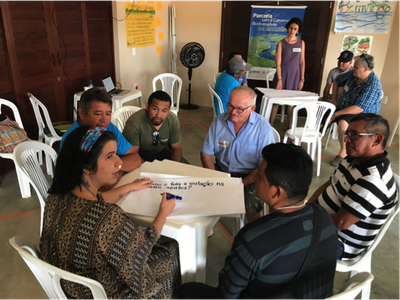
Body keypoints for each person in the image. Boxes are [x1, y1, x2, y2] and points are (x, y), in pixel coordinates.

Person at [180, 143, 337, 299]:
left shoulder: (253, 239)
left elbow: (226, 295)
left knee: (187, 290)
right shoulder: (322, 215)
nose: (254, 179)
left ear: (276, 192)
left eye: (260, 176)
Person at [40, 126, 181, 299]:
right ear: (86, 165)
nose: (119, 162)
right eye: (109, 156)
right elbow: (144, 245)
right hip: (104, 292)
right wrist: (163, 212)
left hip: (70, 288)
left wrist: (130, 186)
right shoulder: (107, 218)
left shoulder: (57, 197)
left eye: (116, 153)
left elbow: (98, 199)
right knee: (172, 250)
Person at [309, 113, 397, 261]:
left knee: (281, 242)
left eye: (355, 134)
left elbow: (340, 223)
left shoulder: (373, 180)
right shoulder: (352, 159)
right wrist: (307, 208)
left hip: (340, 242)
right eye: (347, 133)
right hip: (321, 222)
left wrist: (304, 220)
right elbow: (331, 183)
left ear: (377, 139)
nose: (346, 139)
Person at [201, 86, 277, 223]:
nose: (233, 112)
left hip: (252, 175)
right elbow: (205, 154)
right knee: (200, 195)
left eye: (240, 109)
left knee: (251, 207)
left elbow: (264, 165)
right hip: (222, 171)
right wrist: (214, 179)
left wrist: (243, 183)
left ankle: (254, 231)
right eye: (230, 106)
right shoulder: (218, 122)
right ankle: (206, 228)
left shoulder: (263, 128)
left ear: (252, 108)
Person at [60, 87, 141, 175]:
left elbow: (135, 158)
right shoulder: (73, 139)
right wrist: (119, 169)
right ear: (82, 114)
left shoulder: (109, 127)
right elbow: (95, 181)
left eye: (108, 114)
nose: (104, 120)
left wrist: (117, 167)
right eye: (98, 114)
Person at [329, 54, 383, 167]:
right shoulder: (353, 74)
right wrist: (334, 99)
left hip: (361, 115)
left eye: (356, 67)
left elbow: (358, 108)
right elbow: (337, 81)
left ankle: (343, 153)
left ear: (366, 69)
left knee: (343, 122)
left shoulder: (373, 85)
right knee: (318, 115)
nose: (353, 68)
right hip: (344, 108)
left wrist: (335, 114)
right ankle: (303, 141)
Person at [122, 91, 188, 163]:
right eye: (155, 109)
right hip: (140, 155)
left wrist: (173, 168)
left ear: (169, 111)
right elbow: (132, 155)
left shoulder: (172, 120)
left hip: (162, 151)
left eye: (164, 111)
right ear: (147, 106)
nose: (159, 115)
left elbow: (177, 149)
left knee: (187, 170)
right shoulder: (134, 123)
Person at [270, 17, 305, 128]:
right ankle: (269, 127)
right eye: (291, 28)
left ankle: (291, 130)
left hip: (295, 76)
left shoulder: (301, 43)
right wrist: (279, 79)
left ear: (298, 31)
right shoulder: (281, 43)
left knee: (291, 105)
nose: (292, 31)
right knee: (275, 103)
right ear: (287, 28)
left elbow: (302, 61)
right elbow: (278, 63)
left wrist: (302, 79)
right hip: (282, 74)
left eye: (295, 29)